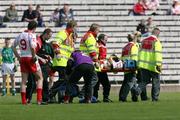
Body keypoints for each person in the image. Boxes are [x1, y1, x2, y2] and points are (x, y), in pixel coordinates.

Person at [12, 21, 43, 105]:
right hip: (30, 57)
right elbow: (33, 47)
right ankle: (39, 100)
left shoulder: (20, 35)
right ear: (34, 28)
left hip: (23, 58)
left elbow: (13, 46)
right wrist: (33, 57)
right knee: (40, 78)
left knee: (23, 81)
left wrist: (18, 57)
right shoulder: (31, 35)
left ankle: (24, 101)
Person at [49, 20, 77, 103]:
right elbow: (55, 43)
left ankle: (52, 95)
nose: (76, 29)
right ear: (72, 27)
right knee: (63, 80)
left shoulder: (70, 35)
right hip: (60, 60)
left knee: (64, 80)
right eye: (75, 27)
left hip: (65, 61)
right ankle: (50, 93)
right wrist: (57, 53)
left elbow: (70, 49)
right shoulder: (63, 33)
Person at [26, 28, 54, 104]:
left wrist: (48, 59)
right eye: (49, 35)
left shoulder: (47, 44)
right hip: (34, 63)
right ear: (46, 34)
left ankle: (44, 98)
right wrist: (42, 57)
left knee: (44, 80)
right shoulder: (38, 41)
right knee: (31, 82)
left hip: (44, 66)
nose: (50, 37)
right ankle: (28, 98)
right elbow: (33, 52)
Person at [136, 28, 162, 102]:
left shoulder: (143, 41)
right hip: (153, 66)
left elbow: (139, 52)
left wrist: (139, 64)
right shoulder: (156, 41)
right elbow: (158, 54)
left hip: (143, 65)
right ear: (158, 34)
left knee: (144, 81)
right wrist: (158, 65)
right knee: (156, 81)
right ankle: (155, 98)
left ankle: (137, 90)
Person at [79, 23, 100, 100]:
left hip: (84, 60)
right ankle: (83, 93)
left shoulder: (87, 35)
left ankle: (87, 96)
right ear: (94, 30)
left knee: (88, 79)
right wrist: (96, 61)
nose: (98, 32)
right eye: (98, 30)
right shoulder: (90, 37)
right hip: (88, 61)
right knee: (94, 79)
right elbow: (92, 51)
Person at [119, 32, 141, 102]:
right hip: (131, 67)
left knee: (131, 82)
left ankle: (134, 97)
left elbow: (121, 58)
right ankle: (122, 97)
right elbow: (134, 58)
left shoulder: (125, 47)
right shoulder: (133, 46)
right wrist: (136, 66)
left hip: (126, 66)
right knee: (129, 83)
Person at [93, 34, 112, 102]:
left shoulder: (99, 45)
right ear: (101, 39)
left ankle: (95, 98)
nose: (107, 40)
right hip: (100, 68)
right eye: (105, 39)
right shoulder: (101, 46)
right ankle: (105, 98)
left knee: (97, 85)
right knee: (106, 84)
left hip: (98, 67)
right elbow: (101, 58)